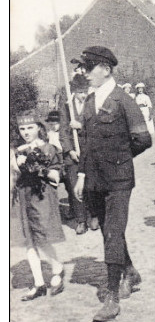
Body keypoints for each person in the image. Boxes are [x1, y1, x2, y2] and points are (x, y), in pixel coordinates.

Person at [73, 46, 152, 322]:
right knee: (109, 230)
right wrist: (82, 175)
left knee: (112, 232)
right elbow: (85, 142)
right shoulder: (90, 100)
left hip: (118, 179)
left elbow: (143, 140)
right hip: (95, 178)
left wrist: (118, 157)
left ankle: (112, 298)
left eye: (89, 67)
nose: (84, 72)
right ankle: (129, 272)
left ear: (105, 69)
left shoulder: (123, 101)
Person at [12, 112, 65, 300]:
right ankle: (39, 283)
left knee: (42, 237)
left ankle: (57, 268)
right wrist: (15, 163)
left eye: (30, 128)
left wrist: (36, 166)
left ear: (38, 128)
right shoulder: (17, 150)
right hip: (23, 196)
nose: (26, 132)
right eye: (22, 129)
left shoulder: (49, 148)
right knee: (29, 240)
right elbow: (15, 175)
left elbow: (56, 177)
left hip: (41, 197)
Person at [59, 73, 100, 235]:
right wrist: (69, 150)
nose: (83, 95)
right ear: (74, 91)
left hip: (89, 152)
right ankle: (81, 220)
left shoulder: (93, 103)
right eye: (80, 92)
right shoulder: (66, 106)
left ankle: (95, 215)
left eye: (85, 91)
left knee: (92, 186)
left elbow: (97, 127)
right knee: (75, 186)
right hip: (73, 154)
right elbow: (63, 131)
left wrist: (81, 126)